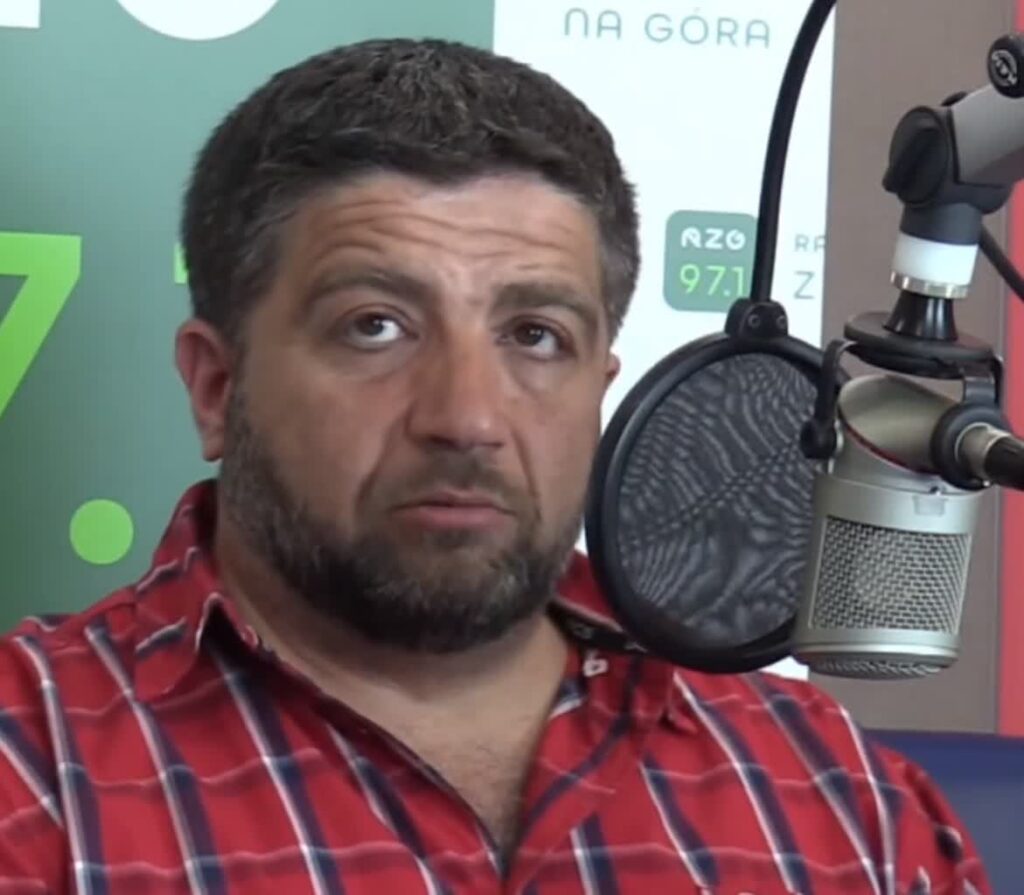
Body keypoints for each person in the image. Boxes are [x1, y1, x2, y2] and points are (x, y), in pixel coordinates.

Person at [0, 38, 989, 894]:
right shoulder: (29, 768)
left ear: (600, 387)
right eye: (374, 325)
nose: (468, 418)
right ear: (218, 388)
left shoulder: (839, 798)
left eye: (535, 334)